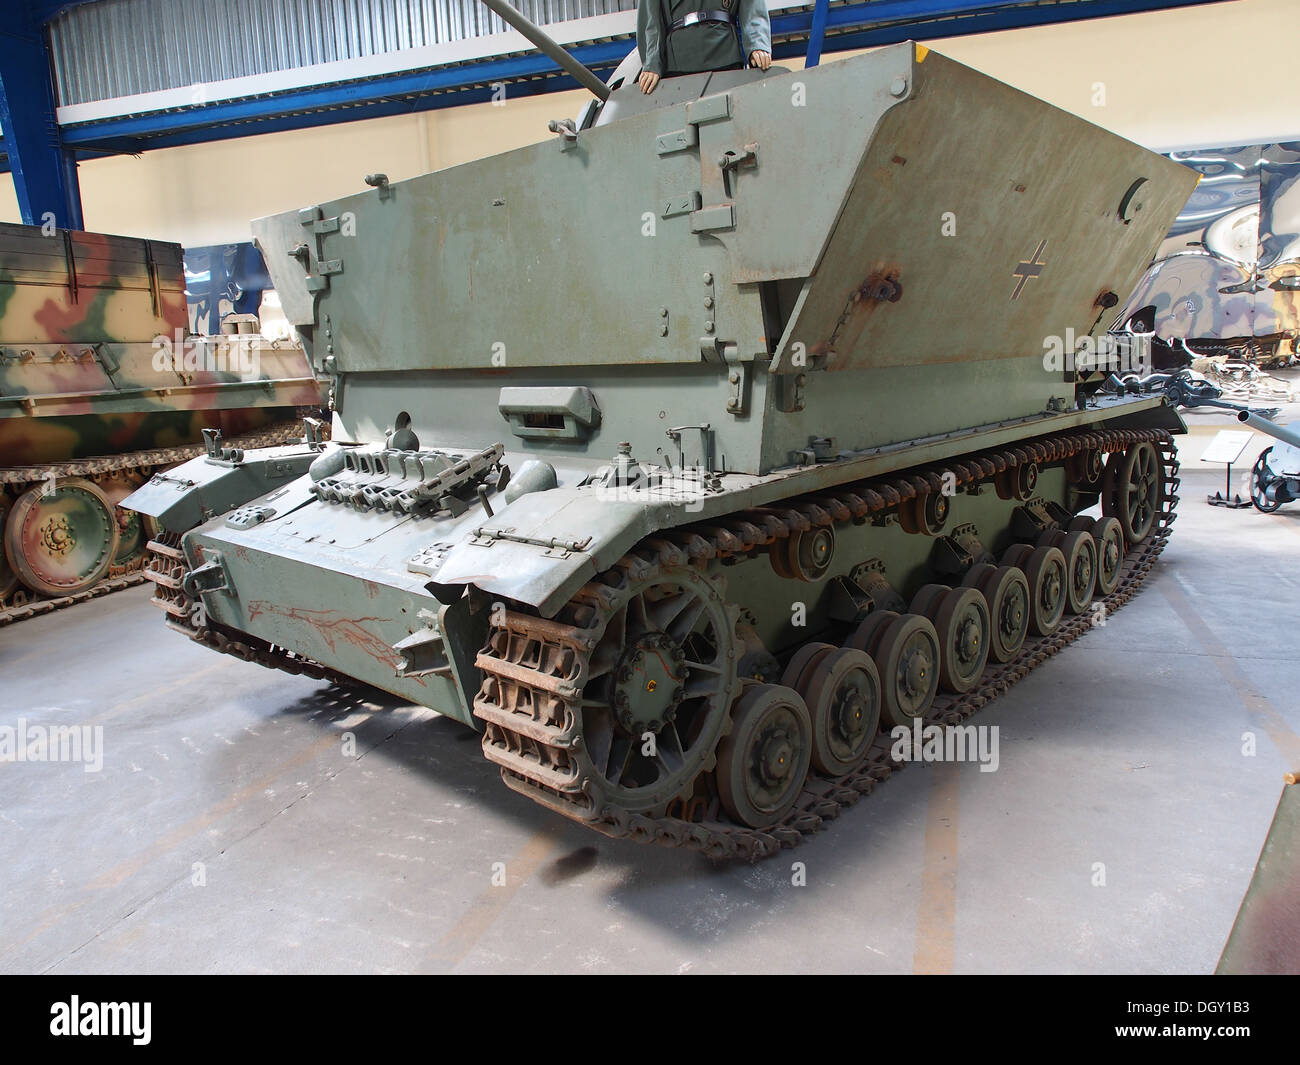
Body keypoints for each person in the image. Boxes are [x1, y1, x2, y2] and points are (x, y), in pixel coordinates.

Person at [636, 0, 771, 94]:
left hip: (725, 57)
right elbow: (650, 19)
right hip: (678, 65)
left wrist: (757, 44)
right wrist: (652, 63)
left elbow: (753, 8)